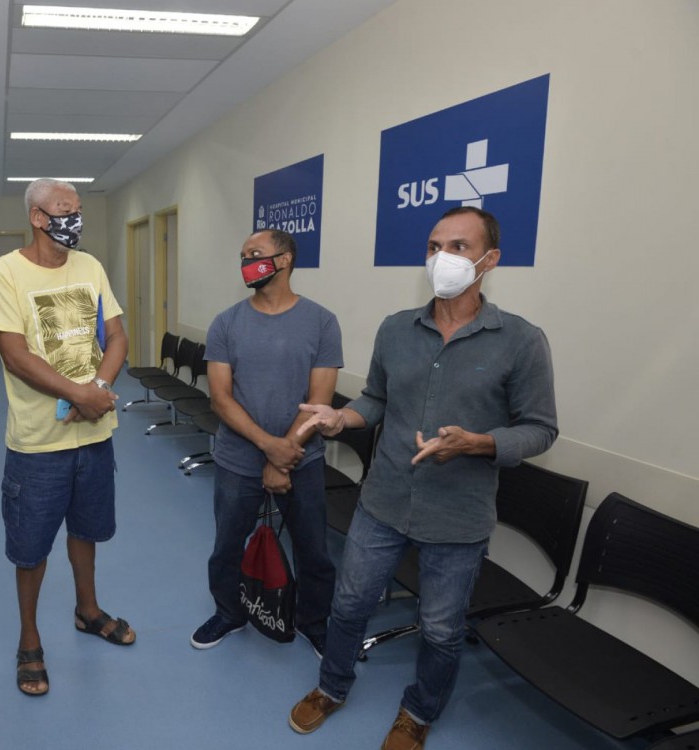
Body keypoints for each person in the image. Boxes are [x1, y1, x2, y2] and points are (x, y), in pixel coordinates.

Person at [287, 207, 557, 750]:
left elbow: (540, 429)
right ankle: (332, 687)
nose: (443, 259)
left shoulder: (521, 341)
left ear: (490, 260)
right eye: (435, 246)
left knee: (439, 628)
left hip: (458, 516)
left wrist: (480, 443)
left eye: (459, 247)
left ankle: (418, 712)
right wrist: (342, 417)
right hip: (383, 501)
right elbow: (377, 399)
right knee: (350, 603)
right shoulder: (395, 329)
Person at [0, 178, 133, 698]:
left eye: (79, 209)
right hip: (37, 442)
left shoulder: (90, 267)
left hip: (94, 434)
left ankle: (87, 611)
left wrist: (99, 388)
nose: (75, 218)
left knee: (87, 531)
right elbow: (15, 354)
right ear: (38, 217)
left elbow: (117, 335)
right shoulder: (4, 273)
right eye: (64, 210)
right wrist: (79, 393)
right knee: (31, 548)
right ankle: (29, 639)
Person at [190, 230, 342, 654]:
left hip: (302, 460)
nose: (246, 263)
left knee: (313, 549)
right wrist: (267, 446)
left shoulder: (321, 321)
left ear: (285, 259)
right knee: (226, 546)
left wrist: (282, 456)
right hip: (238, 460)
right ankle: (228, 613)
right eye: (241, 256)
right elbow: (220, 397)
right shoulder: (226, 322)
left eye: (254, 254)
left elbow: (320, 400)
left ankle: (314, 622)